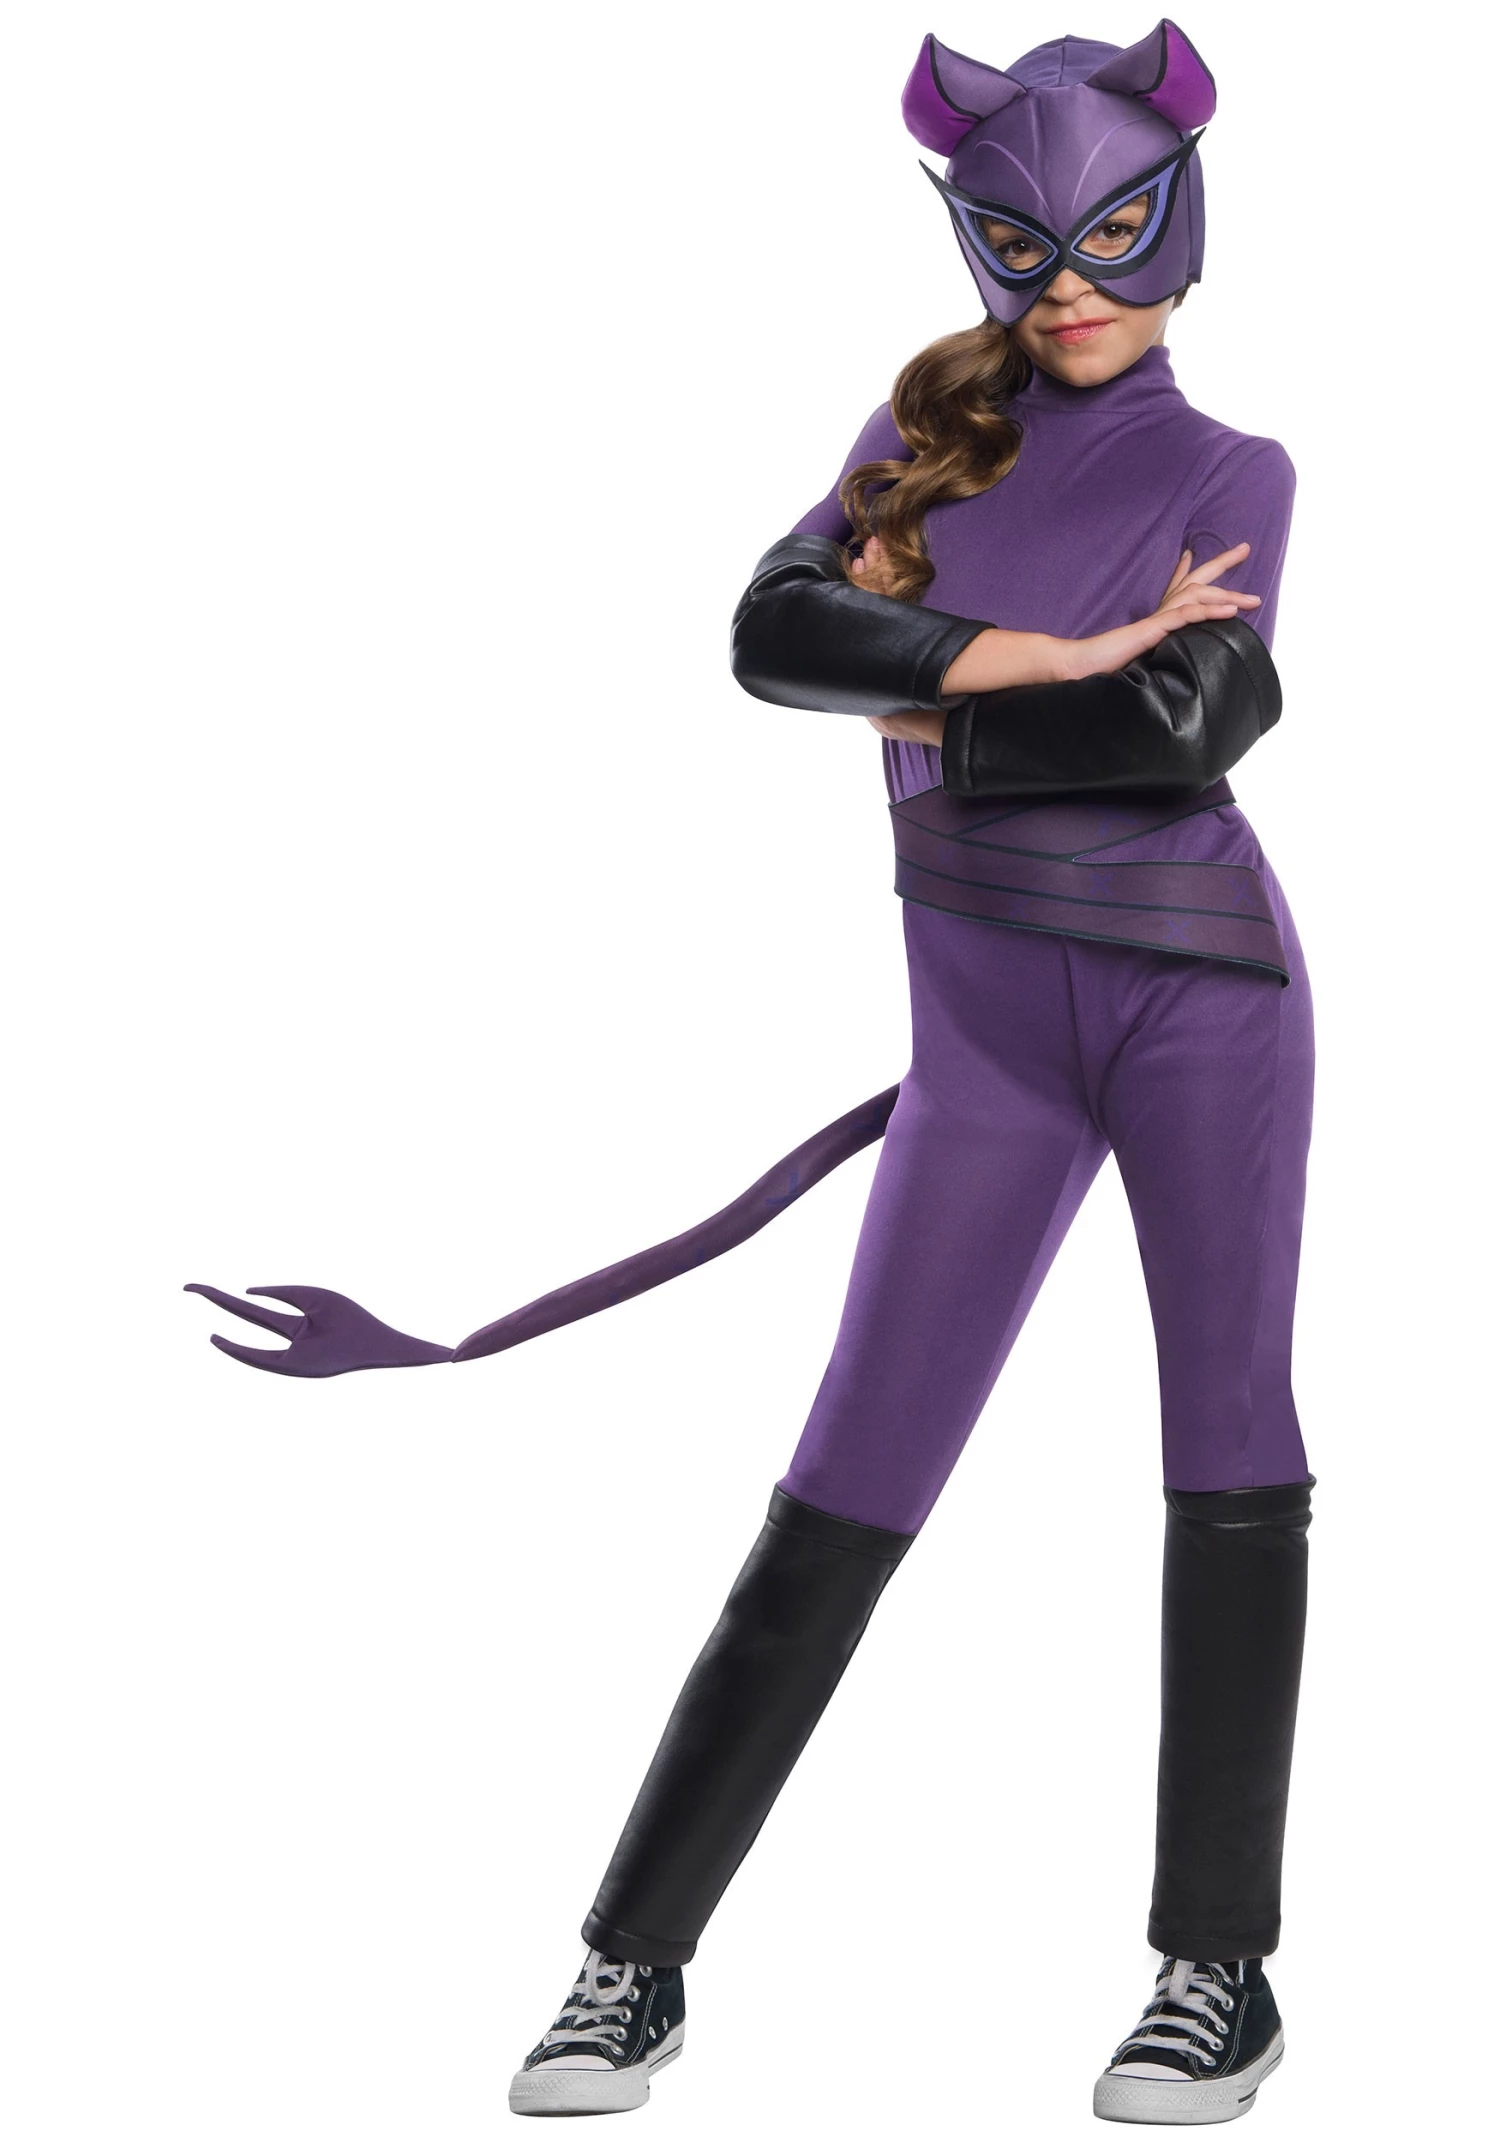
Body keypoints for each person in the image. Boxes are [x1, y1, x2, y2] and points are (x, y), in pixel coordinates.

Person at [188, 18, 1315, 2126]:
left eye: (1114, 235)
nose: (1072, 282)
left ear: (1182, 225)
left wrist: (932, 697)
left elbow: (1191, 728)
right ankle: (634, 1960)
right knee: (850, 1468)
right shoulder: (926, 448)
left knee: (1227, 1443)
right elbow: (764, 633)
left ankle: (1216, 1969)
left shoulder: (1234, 467)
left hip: (1202, 999)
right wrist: (1045, 657)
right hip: (983, 1036)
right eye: (1025, 242)